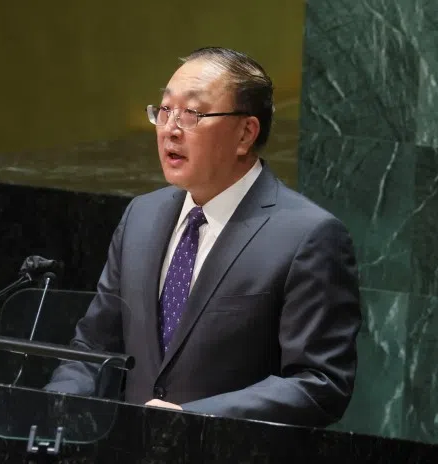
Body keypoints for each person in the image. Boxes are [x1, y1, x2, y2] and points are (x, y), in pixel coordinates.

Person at [46, 47, 362, 427]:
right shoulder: (141, 217)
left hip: (227, 460)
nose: (170, 129)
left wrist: (192, 420)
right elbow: (94, 346)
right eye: (165, 110)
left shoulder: (308, 236)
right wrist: (58, 402)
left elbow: (319, 383)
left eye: (191, 114)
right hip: (128, 458)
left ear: (246, 133)